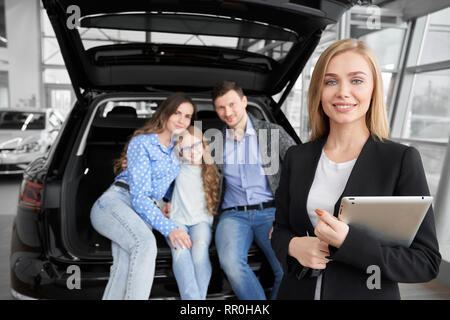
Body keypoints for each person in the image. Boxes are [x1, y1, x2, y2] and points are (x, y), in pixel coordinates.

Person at [271, 39, 441, 300]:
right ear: (319, 90)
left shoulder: (400, 160)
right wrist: (293, 246)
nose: (343, 92)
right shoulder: (297, 157)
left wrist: (349, 243)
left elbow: (425, 262)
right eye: (331, 81)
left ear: (374, 89)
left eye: (356, 80)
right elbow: (279, 230)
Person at [90, 92, 195, 300]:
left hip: (144, 210)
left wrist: (169, 201)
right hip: (117, 202)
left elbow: (165, 185)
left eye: (187, 116)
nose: (182, 120)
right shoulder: (143, 143)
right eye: (177, 113)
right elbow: (139, 196)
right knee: (145, 244)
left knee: (123, 267)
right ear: (165, 114)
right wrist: (170, 229)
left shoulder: (177, 148)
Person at [211, 81, 297, 300]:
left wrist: (289, 214)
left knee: (285, 269)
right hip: (233, 215)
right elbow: (191, 171)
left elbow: (300, 165)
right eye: (221, 107)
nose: (227, 112)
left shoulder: (271, 133)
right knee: (230, 263)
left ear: (244, 102)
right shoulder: (215, 141)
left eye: (232, 104)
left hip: (271, 213)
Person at [161, 125, 220, 300]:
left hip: (201, 221)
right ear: (179, 150)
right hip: (177, 220)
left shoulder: (211, 169)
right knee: (180, 250)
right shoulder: (175, 166)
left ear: (203, 146)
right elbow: (158, 188)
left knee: (200, 249)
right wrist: (164, 205)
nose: (192, 152)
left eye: (195, 146)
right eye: (186, 148)